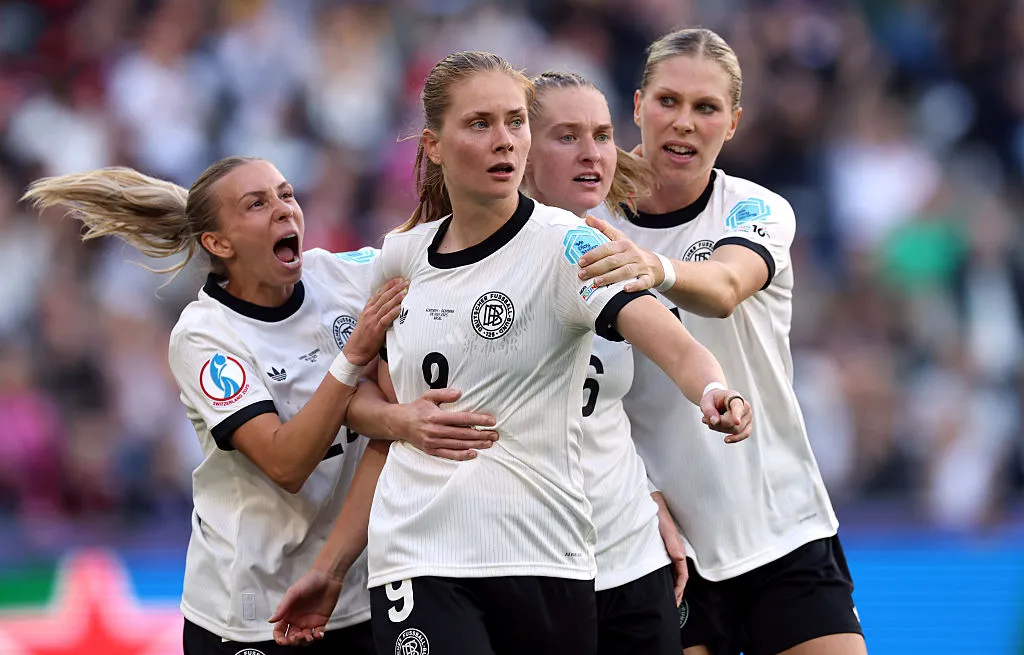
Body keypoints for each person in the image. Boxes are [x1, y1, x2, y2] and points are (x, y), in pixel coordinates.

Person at [269, 50, 751, 655]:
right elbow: (380, 416)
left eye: (515, 122)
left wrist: (714, 392)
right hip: (420, 553)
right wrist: (334, 565)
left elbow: (675, 345)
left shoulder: (566, 247)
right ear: (434, 145)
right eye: (479, 124)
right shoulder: (398, 258)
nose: (504, 141)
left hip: (547, 553)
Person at [22, 156, 498, 655]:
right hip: (251, 611)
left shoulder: (342, 277)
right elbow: (285, 462)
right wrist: (353, 354)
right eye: (257, 203)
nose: (283, 210)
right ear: (218, 243)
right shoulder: (204, 335)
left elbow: (437, 253)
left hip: (355, 590)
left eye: (286, 194)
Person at [576, 28, 867, 655]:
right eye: (668, 101)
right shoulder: (583, 227)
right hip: (668, 549)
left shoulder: (754, 209)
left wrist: (661, 270)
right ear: (636, 105)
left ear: (732, 123)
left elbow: (729, 282)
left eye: (706, 108)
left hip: (781, 526)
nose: (683, 123)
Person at [522, 70, 685, 655]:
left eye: (602, 134)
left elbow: (616, 411)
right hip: (525, 556)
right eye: (566, 136)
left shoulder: (623, 253)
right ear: (519, 146)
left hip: (627, 551)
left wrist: (648, 494)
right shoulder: (458, 260)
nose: (592, 154)